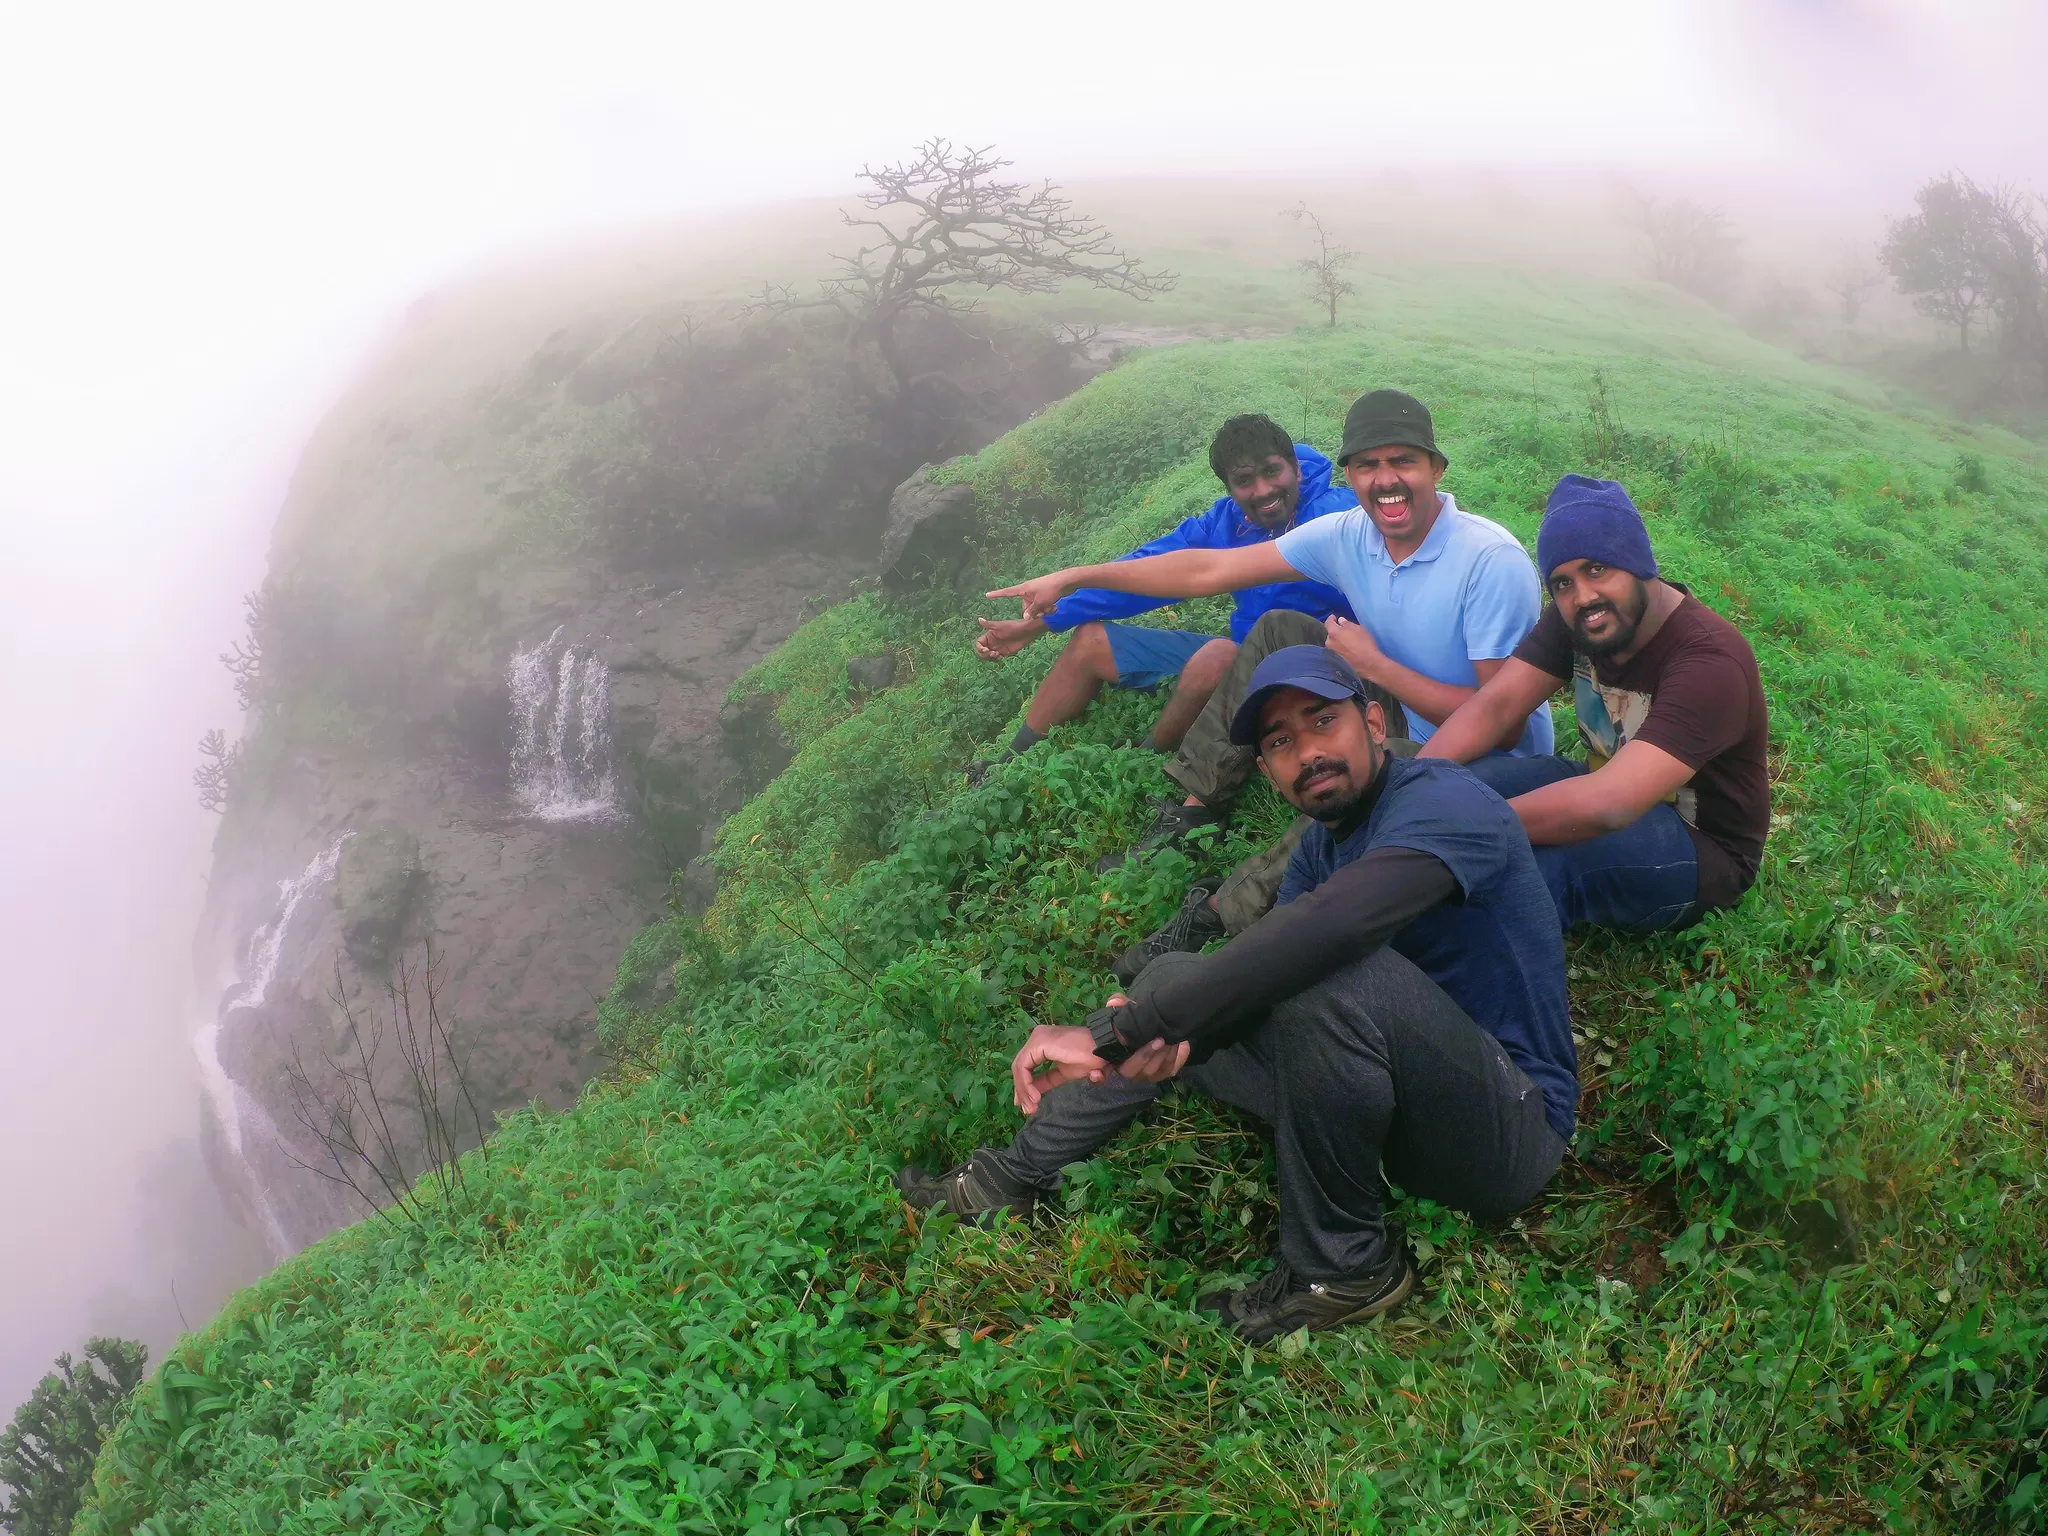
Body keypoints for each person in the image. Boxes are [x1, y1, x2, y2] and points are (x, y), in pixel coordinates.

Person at [898, 647, 1576, 1345]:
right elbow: (1260, 977)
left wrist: (1116, 1034)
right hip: (1389, 1106)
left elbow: (1329, 933)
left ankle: (1346, 1270)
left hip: (1507, 1129)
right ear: (1266, 771)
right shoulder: (1319, 847)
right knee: (1170, 979)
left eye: (1323, 721)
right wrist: (1160, 1033)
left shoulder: (1446, 801)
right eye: (1280, 742)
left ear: (1375, 724)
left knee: (1319, 970)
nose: (1306, 752)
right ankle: (1007, 1180)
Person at [985, 389, 1551, 859]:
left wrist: (1374, 666)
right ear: (1350, 473)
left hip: (1470, 746)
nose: (1385, 481)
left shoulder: (1484, 560)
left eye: (1402, 461)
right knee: (1270, 629)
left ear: (1436, 467)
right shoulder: (1346, 534)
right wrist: (1073, 581)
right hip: (1383, 700)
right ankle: (1190, 812)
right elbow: (1199, 569)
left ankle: (1221, 909)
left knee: (1349, 811)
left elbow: (1499, 726)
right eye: (1368, 466)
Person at [1422, 474, 1771, 932]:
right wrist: (1410, 786)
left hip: (1698, 844)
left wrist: (1474, 828)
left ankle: (1411, 944)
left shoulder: (1710, 661)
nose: (1583, 597)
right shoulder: (1578, 619)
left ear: (1639, 563)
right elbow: (1497, 706)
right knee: (1457, 787)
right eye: (1562, 582)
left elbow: (1609, 803)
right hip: (1600, 780)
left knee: (1530, 869)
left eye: (1598, 569)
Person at [967, 413, 1356, 779]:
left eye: (1272, 471)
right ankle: (1006, 765)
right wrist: (1041, 623)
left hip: (1317, 667)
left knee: (1217, 657)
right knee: (1091, 642)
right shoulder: (1225, 522)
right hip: (1245, 653)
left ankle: (1150, 758)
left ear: (1296, 469)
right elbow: (1146, 571)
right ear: (1230, 490)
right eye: (1245, 480)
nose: (1263, 490)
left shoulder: (1338, 515)